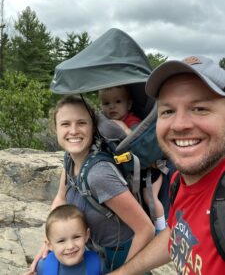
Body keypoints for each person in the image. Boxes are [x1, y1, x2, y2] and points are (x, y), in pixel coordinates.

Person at [108, 55, 225, 274]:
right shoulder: (179, 179)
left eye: (199, 108)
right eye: (168, 111)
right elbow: (177, 232)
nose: (179, 125)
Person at [28, 94, 154, 274]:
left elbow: (145, 229)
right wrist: (47, 244)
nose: (73, 131)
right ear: (55, 128)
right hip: (91, 251)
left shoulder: (99, 175)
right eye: (65, 124)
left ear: (93, 127)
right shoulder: (70, 159)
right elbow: (60, 198)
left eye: (81, 123)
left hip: (121, 257)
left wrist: (124, 272)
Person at [99, 85, 167, 233]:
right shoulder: (105, 124)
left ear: (128, 104)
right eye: (106, 103)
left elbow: (136, 140)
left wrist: (123, 127)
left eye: (118, 101)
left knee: (150, 199)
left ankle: (162, 229)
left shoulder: (132, 121)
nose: (112, 107)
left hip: (149, 172)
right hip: (131, 171)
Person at [33, 204, 102, 275]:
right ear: (49, 245)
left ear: (87, 235)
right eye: (61, 241)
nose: (70, 246)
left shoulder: (98, 264)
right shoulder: (43, 266)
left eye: (76, 237)